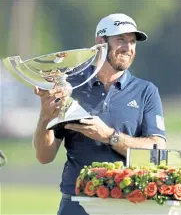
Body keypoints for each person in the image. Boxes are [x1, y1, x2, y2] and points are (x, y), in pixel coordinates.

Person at [32, 13, 166, 215]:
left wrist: (108, 136)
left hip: (127, 203)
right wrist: (45, 117)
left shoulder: (146, 91)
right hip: (75, 203)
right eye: (121, 39)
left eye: (132, 42)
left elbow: (157, 152)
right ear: (101, 42)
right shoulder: (70, 86)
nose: (128, 48)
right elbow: (44, 156)